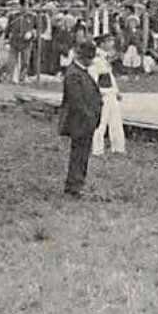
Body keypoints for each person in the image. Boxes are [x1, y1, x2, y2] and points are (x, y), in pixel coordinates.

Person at [56, 41, 102, 197]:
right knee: (78, 154)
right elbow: (76, 101)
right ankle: (73, 186)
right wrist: (89, 116)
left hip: (86, 120)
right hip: (78, 120)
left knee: (83, 154)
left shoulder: (82, 71)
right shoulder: (73, 74)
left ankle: (77, 184)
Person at [89, 33, 126, 156]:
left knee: (115, 121)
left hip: (110, 93)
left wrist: (116, 91)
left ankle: (118, 147)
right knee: (101, 122)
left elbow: (110, 76)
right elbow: (94, 78)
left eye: (112, 40)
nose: (111, 43)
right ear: (102, 43)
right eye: (109, 41)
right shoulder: (96, 59)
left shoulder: (106, 57)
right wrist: (97, 93)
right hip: (103, 94)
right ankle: (97, 149)